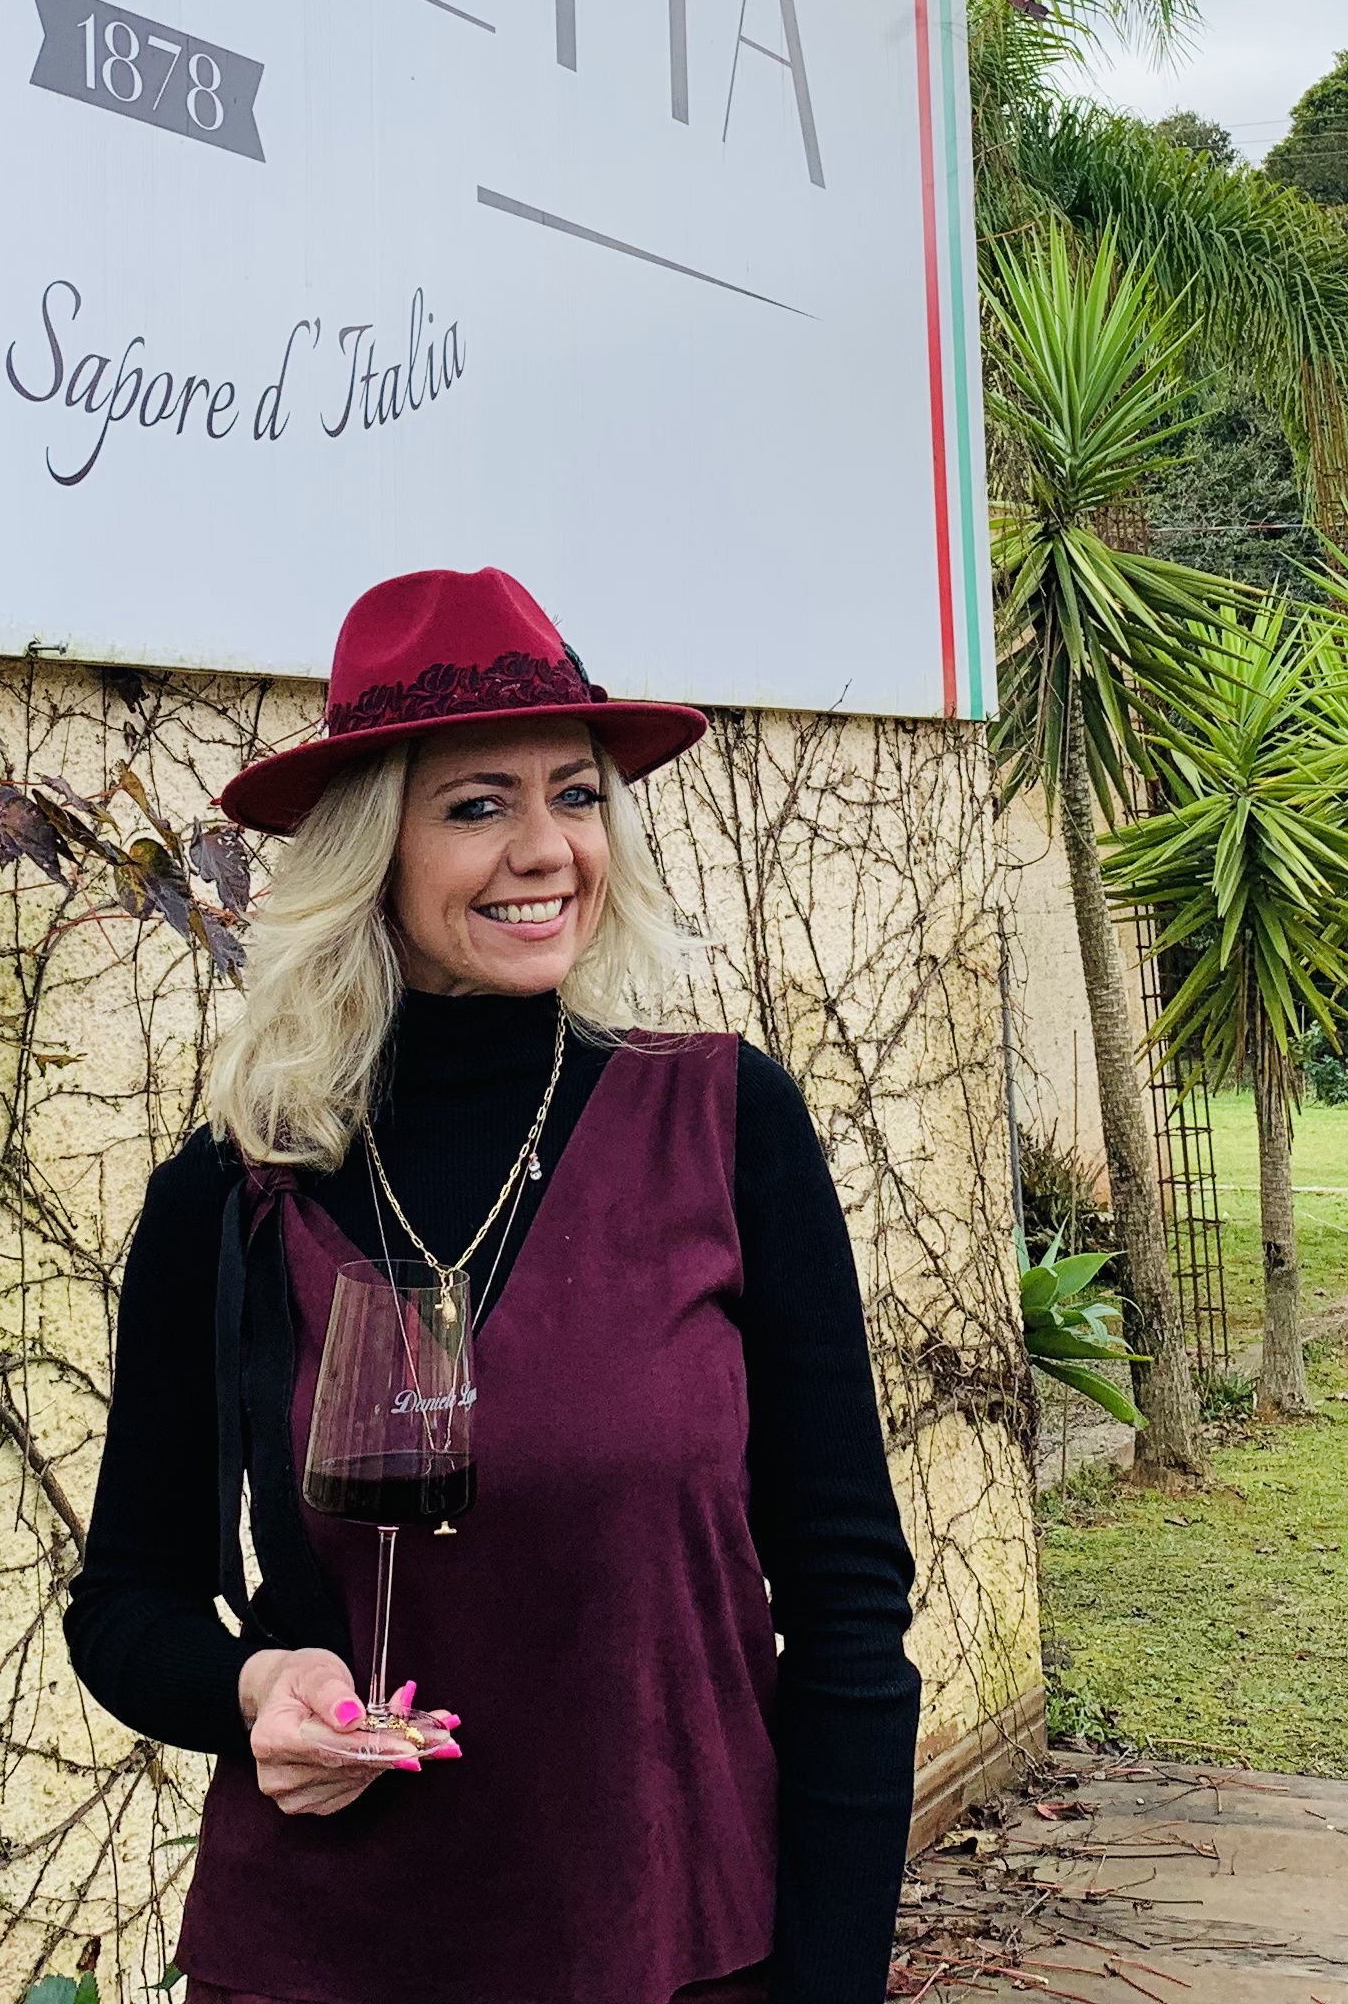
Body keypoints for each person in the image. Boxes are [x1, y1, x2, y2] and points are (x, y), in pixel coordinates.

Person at [64, 567, 921, 2004]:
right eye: (477, 806)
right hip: (327, 1962)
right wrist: (253, 1689)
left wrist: (831, 1983)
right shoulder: (236, 1190)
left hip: (673, 1949)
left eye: (576, 795)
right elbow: (127, 1602)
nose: (547, 850)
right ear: (372, 853)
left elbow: (848, 1605)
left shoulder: (721, 1128)